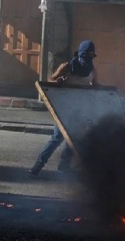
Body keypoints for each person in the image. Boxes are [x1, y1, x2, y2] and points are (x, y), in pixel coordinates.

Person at [29, 40, 99, 176]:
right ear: (79, 54)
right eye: (85, 56)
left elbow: (96, 85)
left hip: (81, 109)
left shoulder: (93, 70)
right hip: (64, 108)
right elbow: (50, 81)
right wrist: (58, 81)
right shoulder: (67, 66)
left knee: (72, 138)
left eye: (90, 56)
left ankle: (64, 165)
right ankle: (39, 164)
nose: (87, 59)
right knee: (57, 137)